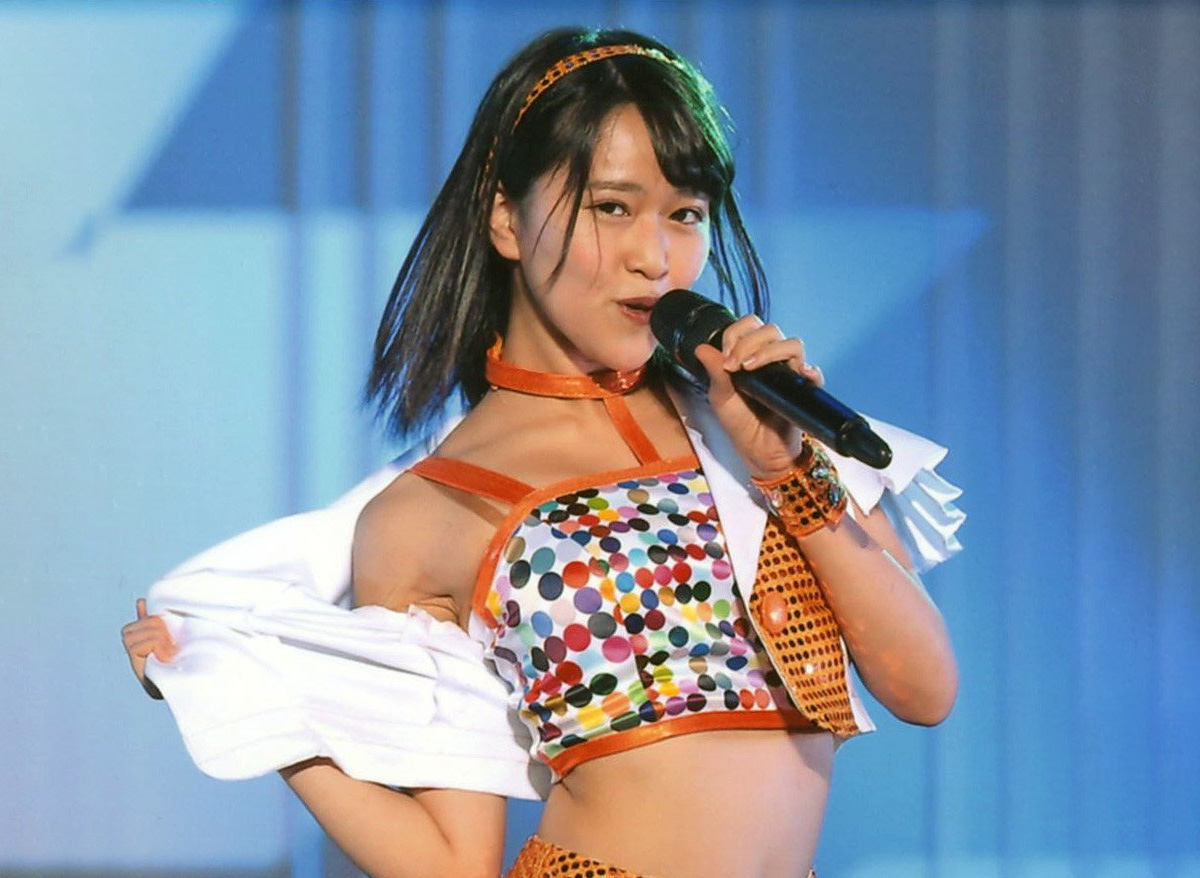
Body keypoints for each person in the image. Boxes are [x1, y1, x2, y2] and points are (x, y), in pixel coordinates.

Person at [121, 26, 962, 878]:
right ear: (506, 220)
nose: (655, 257)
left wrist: (788, 471)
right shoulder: (427, 511)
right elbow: (451, 862)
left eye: (685, 214)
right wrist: (256, 707)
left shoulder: (749, 427)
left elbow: (924, 689)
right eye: (612, 207)